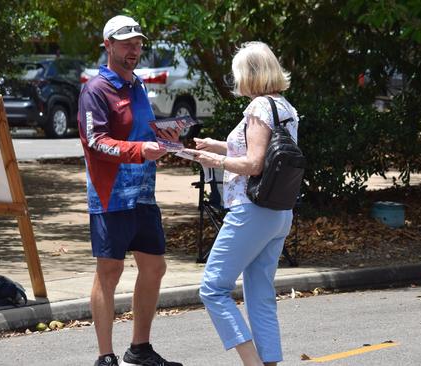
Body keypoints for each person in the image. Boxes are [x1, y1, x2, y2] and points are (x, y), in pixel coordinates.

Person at [185, 41, 299, 365]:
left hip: (252, 211)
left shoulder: (257, 108)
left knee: (212, 288)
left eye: (238, 75)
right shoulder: (284, 107)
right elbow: (262, 151)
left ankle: (252, 363)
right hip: (279, 213)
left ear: (250, 75)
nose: (236, 83)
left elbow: (254, 164)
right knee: (261, 296)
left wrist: (214, 160)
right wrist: (217, 146)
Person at [78, 15, 183, 366]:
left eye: (137, 44)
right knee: (110, 272)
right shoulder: (95, 89)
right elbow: (95, 142)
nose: (134, 50)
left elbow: (140, 132)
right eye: (126, 44)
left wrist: (166, 141)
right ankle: (105, 356)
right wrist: (139, 151)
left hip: (143, 193)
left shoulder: (136, 84)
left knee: (154, 267)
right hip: (111, 196)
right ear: (108, 46)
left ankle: (139, 349)